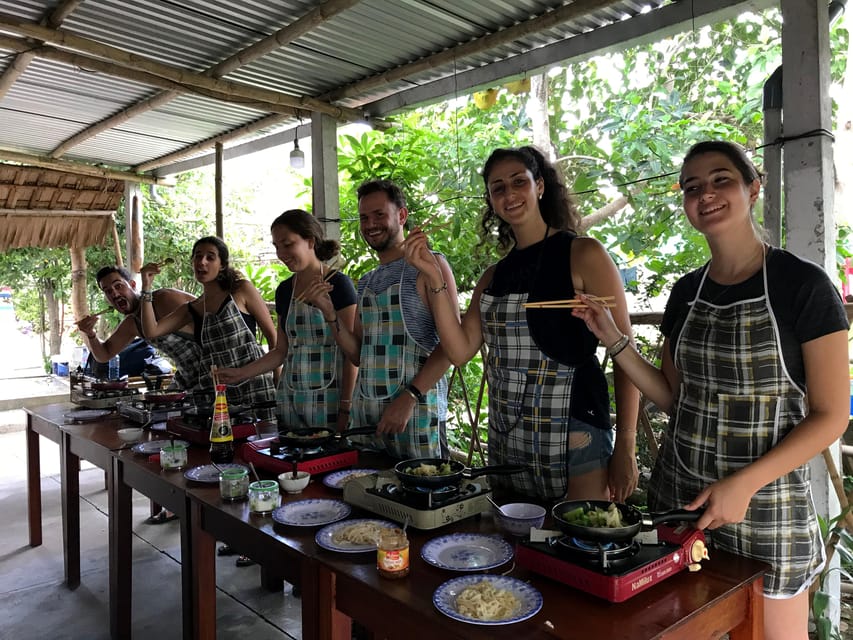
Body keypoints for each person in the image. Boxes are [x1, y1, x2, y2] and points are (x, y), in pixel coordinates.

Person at [573, 140, 849, 640]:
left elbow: (832, 416)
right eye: (693, 187)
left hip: (767, 509)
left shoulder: (803, 286)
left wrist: (744, 484)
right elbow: (675, 399)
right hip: (681, 499)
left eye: (721, 179)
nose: (707, 194)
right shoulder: (686, 292)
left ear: (753, 187)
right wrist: (611, 335)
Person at [403, 145, 640, 504]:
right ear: (491, 200)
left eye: (518, 182)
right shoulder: (493, 276)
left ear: (540, 186)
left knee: (579, 543)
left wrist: (626, 444)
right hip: (508, 434)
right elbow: (460, 350)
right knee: (519, 548)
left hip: (576, 429)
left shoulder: (583, 253)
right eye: (498, 188)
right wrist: (433, 275)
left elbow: (626, 353)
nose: (509, 194)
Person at [303, 179, 458, 459]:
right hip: (368, 419)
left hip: (416, 415)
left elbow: (451, 345)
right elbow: (359, 355)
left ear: (401, 216)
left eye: (379, 215)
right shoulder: (367, 281)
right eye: (364, 217)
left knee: (422, 496)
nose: (370, 224)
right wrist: (330, 313)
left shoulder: (431, 266)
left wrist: (410, 396)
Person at [76, 265, 198, 525]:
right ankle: (177, 501)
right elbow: (104, 354)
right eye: (108, 291)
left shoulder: (164, 299)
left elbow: (210, 318)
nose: (114, 293)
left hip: (214, 371)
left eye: (118, 285)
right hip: (188, 377)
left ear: (133, 285)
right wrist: (90, 334)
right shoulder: (133, 323)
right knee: (166, 431)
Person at [217, 209, 358, 432]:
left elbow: (352, 355)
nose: (281, 253)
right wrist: (241, 373)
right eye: (276, 246)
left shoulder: (338, 285)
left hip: (331, 400)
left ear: (310, 241)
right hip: (290, 398)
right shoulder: (285, 290)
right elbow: (281, 351)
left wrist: (346, 406)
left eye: (287, 244)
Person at [139, 236, 277, 417]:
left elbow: (273, 338)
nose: (202, 262)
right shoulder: (193, 308)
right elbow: (151, 331)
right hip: (217, 391)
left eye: (210, 257)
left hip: (255, 386)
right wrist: (147, 287)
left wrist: (278, 379)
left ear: (222, 265)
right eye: (197, 256)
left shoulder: (241, 290)